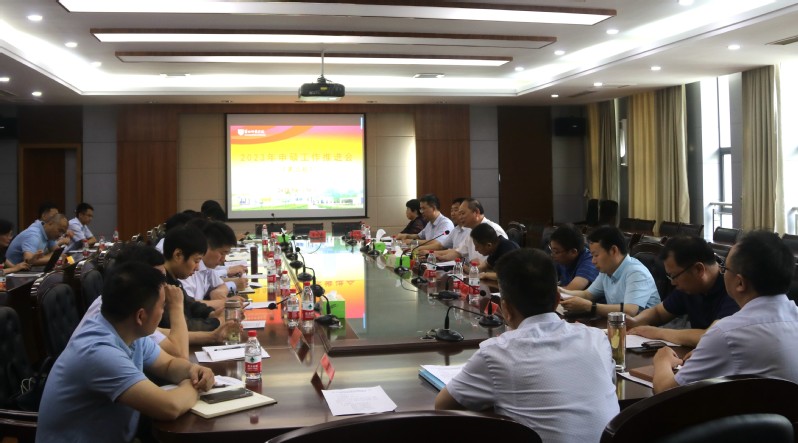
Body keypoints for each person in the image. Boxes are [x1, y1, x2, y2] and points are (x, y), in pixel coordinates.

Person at [435, 248, 619, 443]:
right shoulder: (596, 339)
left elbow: (443, 406)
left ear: (505, 308)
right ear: (557, 300)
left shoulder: (497, 353)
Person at [37, 262, 216, 442]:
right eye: (162, 306)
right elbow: (170, 407)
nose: (163, 312)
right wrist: (195, 385)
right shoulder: (99, 352)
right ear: (140, 316)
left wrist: (193, 370)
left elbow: (168, 365)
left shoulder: (127, 331)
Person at [652, 231, 798, 393]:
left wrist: (663, 361)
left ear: (740, 283)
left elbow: (666, 392)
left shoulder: (726, 334)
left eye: (725, 268)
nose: (721, 272)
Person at [74, 243, 238, 359]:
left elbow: (161, 334)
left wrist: (212, 337)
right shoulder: (122, 312)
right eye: (158, 279)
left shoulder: (127, 301)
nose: (164, 285)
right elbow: (179, 354)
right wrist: (175, 306)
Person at [627, 236, 739, 347]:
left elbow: (713, 337)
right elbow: (658, 313)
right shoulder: (690, 286)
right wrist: (635, 321)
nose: (672, 283)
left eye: (674, 276)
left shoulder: (733, 288)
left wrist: (658, 333)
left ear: (698, 269)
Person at [559, 226, 660, 317]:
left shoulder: (636, 272)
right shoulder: (607, 270)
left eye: (596, 255)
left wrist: (589, 306)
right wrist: (561, 291)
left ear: (613, 250)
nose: (593, 261)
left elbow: (630, 311)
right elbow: (588, 295)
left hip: (646, 327)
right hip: (620, 324)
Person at [161, 225, 220, 332]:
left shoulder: (172, 279)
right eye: (196, 261)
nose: (197, 268)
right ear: (178, 255)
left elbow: (189, 304)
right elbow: (182, 326)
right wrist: (217, 322)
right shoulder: (161, 285)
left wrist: (212, 313)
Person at [181, 220, 247, 309]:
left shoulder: (208, 267)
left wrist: (219, 291)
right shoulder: (186, 269)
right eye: (222, 253)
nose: (223, 259)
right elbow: (188, 304)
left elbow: (220, 285)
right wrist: (225, 303)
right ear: (206, 247)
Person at [434, 198, 506, 265]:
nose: (460, 217)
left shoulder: (494, 230)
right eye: (459, 214)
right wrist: (440, 257)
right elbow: (459, 253)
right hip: (474, 271)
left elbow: (503, 262)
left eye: (463, 213)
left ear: (476, 212)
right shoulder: (471, 230)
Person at [5, 213, 72, 266]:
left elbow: (57, 253)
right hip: (12, 272)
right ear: (50, 223)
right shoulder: (33, 235)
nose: (60, 235)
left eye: (63, 232)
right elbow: (28, 260)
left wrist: (69, 260)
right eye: (60, 230)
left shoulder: (48, 233)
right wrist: (56, 258)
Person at [549, 224, 598, 290]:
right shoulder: (561, 258)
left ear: (573, 252)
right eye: (551, 250)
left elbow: (571, 290)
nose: (552, 254)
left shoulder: (589, 262)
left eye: (556, 252)